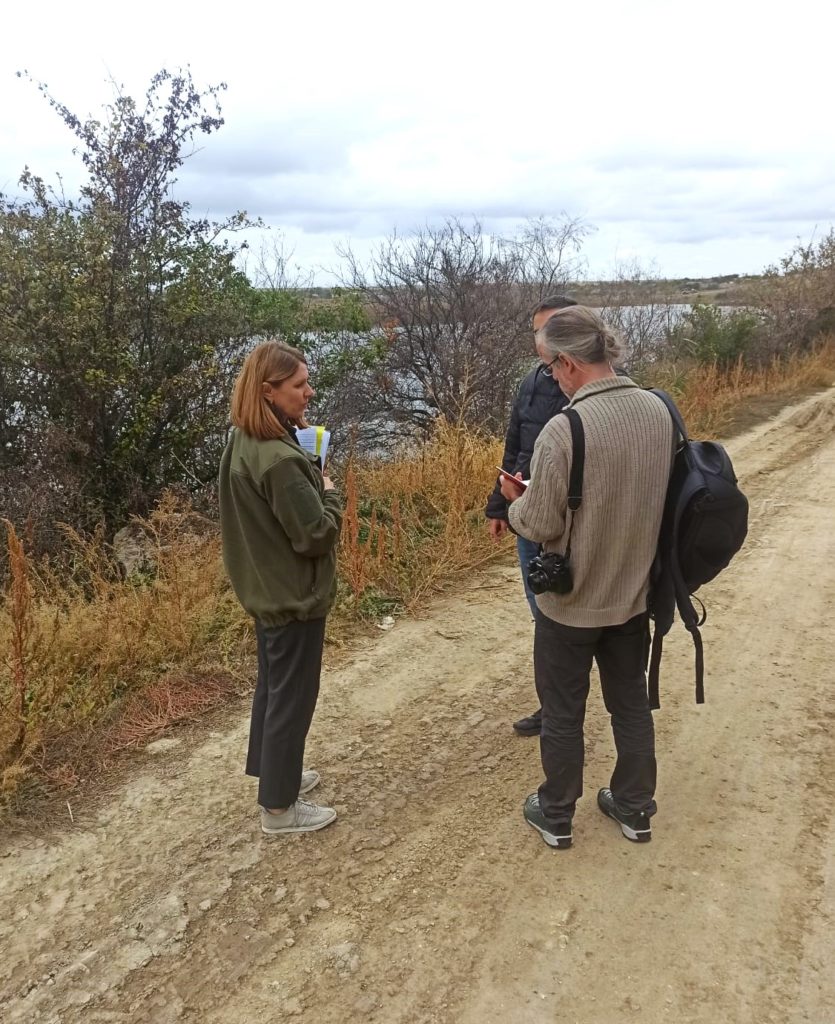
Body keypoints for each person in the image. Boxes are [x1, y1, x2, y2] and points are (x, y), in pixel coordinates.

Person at [499, 306, 673, 849]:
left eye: (551, 367)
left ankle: (555, 815)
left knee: (564, 712)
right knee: (630, 706)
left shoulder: (564, 428)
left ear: (570, 363)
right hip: (634, 596)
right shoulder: (659, 410)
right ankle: (635, 807)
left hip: (569, 604)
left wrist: (514, 504)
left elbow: (543, 521)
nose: (549, 376)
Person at [219, 340, 343, 836]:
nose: (309, 393)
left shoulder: (244, 439)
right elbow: (313, 535)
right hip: (293, 595)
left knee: (274, 690)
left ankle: (277, 774)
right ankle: (278, 808)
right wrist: (331, 495)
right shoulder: (278, 459)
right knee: (294, 697)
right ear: (269, 391)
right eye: (299, 385)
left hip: (265, 587)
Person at [485, 295, 577, 737]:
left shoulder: (594, 385)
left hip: (575, 521)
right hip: (527, 514)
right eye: (538, 332)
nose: (543, 340)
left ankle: (574, 707)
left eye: (551, 329)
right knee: (542, 612)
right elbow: (514, 443)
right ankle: (553, 707)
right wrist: (498, 505)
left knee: (579, 615)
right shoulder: (533, 382)